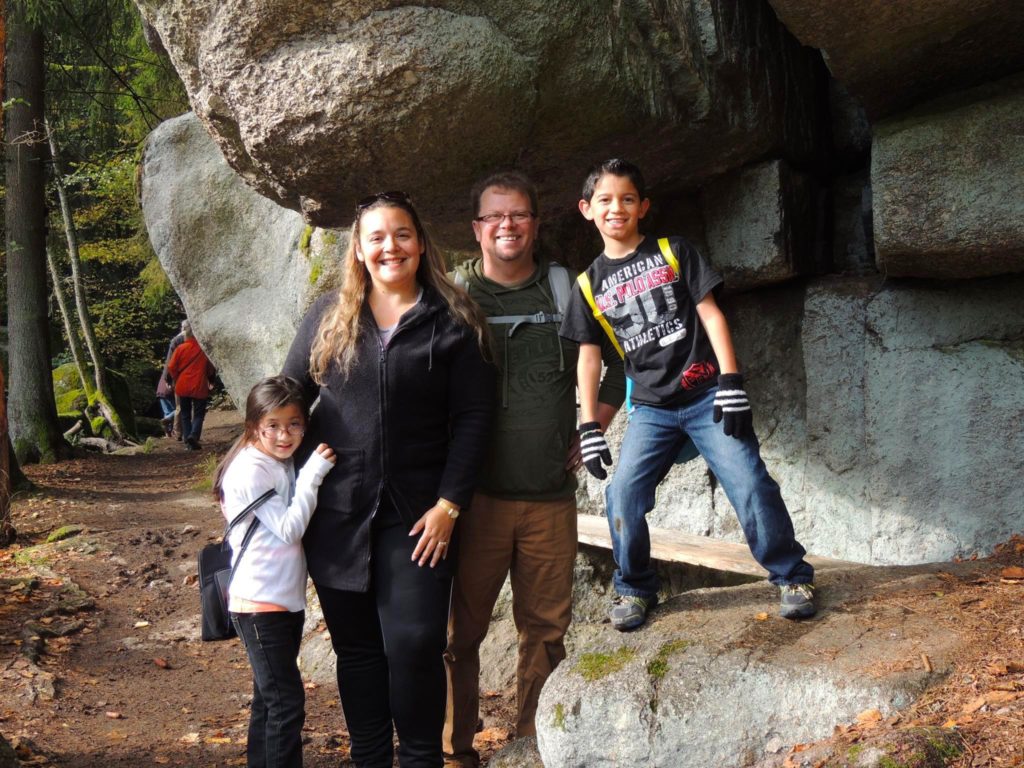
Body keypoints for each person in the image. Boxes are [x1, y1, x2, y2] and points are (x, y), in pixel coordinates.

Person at [282, 191, 496, 768]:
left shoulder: (452, 321)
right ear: (357, 248)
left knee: (415, 643)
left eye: (401, 234)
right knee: (357, 652)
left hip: (420, 516)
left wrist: (451, 503)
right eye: (375, 236)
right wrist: (271, 472)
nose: (389, 247)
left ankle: (422, 757)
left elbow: (475, 418)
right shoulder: (329, 316)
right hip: (337, 515)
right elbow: (288, 397)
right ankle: (370, 758)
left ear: (420, 243)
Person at [559, 158, 816, 631]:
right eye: (605, 200)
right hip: (651, 411)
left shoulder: (674, 251)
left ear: (643, 206)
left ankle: (792, 576)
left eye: (627, 199)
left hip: (706, 399)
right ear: (586, 209)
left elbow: (712, 314)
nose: (617, 208)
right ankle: (635, 588)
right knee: (622, 496)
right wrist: (589, 425)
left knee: (751, 483)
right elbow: (589, 358)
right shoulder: (586, 284)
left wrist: (731, 382)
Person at [443, 172, 625, 766]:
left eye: (518, 215)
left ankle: (528, 748)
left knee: (545, 635)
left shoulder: (564, 292)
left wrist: (590, 425)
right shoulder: (453, 297)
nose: (507, 226)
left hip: (550, 497)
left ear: (536, 223)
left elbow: (616, 371)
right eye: (494, 217)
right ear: (476, 229)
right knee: (458, 635)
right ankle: (456, 748)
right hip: (475, 503)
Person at [213, 375, 336, 768]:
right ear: (254, 426)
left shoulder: (271, 460)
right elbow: (288, 529)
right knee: (286, 704)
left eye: (294, 424)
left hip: (278, 600)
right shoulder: (251, 469)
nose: (285, 435)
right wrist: (314, 472)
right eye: (273, 426)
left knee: (269, 701)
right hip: (259, 602)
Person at [167, 320, 216, 450]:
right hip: (199, 386)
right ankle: (193, 436)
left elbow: (171, 367)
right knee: (199, 414)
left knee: (185, 414)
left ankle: (188, 440)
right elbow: (210, 368)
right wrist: (211, 380)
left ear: (186, 336)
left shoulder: (180, 349)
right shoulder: (203, 350)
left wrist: (176, 378)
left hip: (183, 386)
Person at [159, 320, 189, 439]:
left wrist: (167, 378)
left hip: (177, 378)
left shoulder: (176, 341)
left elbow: (169, 362)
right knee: (184, 406)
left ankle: (177, 432)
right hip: (187, 377)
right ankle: (179, 431)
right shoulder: (192, 340)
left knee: (179, 406)